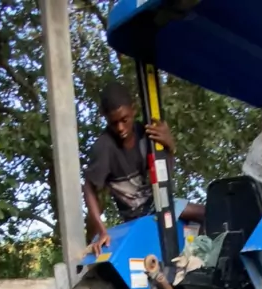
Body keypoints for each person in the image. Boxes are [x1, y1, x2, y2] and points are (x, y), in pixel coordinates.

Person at [84, 81, 204, 255]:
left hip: (160, 204)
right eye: (114, 123)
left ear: (133, 110)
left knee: (206, 213)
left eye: (124, 120)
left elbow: (166, 175)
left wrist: (170, 147)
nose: (120, 128)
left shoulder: (146, 133)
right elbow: (89, 188)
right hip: (136, 217)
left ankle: (203, 261)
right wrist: (102, 230)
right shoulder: (104, 147)